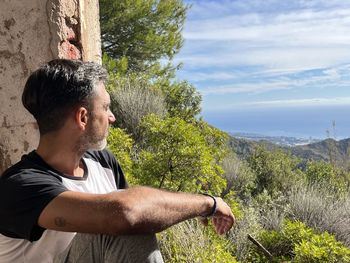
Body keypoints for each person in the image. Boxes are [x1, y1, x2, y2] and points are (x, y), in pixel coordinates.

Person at [0, 59, 235, 263]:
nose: (111, 117)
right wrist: (208, 204)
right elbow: (126, 215)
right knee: (122, 223)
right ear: (83, 117)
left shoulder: (103, 162)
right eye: (106, 107)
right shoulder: (19, 187)